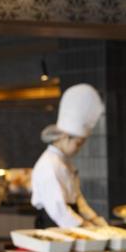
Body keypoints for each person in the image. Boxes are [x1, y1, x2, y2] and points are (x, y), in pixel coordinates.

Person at [31, 83, 108, 228]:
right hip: (54, 225)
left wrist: (94, 219)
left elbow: (77, 198)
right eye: (78, 144)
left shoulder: (64, 162)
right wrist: (85, 227)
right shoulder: (48, 165)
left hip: (69, 221)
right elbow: (58, 209)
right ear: (65, 137)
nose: (79, 149)